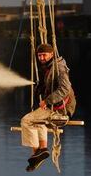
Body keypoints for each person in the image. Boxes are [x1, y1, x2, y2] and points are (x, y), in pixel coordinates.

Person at [20, 43, 76, 172]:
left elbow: (64, 89)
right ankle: (42, 150)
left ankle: (36, 154)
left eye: (44, 55)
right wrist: (41, 87)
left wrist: (47, 100)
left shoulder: (59, 68)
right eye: (39, 56)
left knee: (27, 121)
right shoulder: (49, 67)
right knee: (39, 121)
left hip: (60, 109)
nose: (41, 58)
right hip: (53, 108)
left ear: (51, 54)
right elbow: (51, 85)